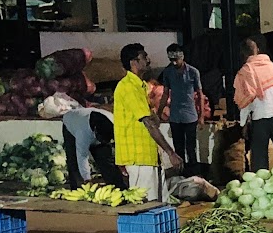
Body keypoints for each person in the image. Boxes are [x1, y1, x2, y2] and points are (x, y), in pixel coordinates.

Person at [113, 44, 181, 203]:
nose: (148, 60)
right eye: (144, 57)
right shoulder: (128, 87)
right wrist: (171, 153)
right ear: (133, 62)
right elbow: (149, 123)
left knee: (159, 203)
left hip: (147, 157)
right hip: (138, 159)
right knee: (145, 205)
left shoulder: (140, 86)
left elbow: (151, 120)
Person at [233, 35, 273, 172]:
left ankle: (261, 183)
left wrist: (242, 124)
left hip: (260, 118)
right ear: (257, 49)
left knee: (259, 159)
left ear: (242, 54)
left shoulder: (245, 72)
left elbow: (247, 99)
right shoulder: (269, 65)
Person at [157, 43, 203, 167]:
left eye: (176, 60)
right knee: (178, 148)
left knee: (191, 148)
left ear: (182, 57)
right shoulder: (168, 72)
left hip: (190, 116)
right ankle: (181, 172)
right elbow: (165, 93)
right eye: (171, 60)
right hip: (175, 116)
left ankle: (193, 170)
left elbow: (200, 94)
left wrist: (201, 115)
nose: (174, 63)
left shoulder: (193, 72)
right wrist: (159, 112)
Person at [60, 106, 116, 188]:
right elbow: (82, 156)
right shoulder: (82, 133)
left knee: (106, 158)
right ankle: (79, 187)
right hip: (71, 123)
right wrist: (87, 178)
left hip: (93, 123)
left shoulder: (112, 122)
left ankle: (116, 185)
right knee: (74, 160)